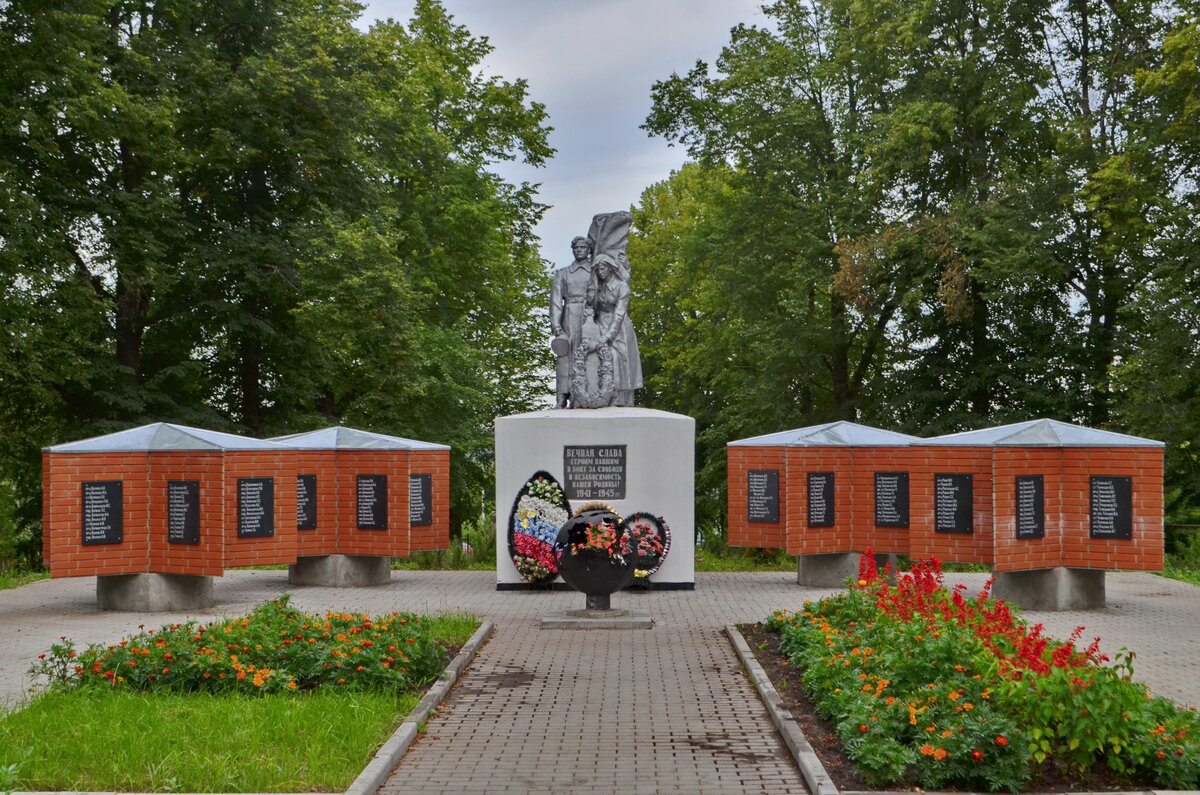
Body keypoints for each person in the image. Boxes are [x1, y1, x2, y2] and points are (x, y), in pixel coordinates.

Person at [584, 253, 642, 406]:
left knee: (618, 359)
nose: (600, 272)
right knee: (601, 358)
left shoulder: (621, 287)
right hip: (600, 325)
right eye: (597, 269)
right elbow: (592, 308)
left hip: (619, 328)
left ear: (610, 268)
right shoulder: (599, 287)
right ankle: (601, 393)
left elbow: (619, 315)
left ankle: (617, 397)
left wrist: (608, 336)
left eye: (602, 268)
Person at [549, 236, 593, 408]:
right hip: (569, 315)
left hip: (589, 316)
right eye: (576, 247)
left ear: (589, 250)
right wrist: (556, 326)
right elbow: (555, 301)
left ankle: (585, 395)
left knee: (588, 355)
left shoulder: (595, 272)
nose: (579, 250)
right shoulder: (563, 273)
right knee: (565, 357)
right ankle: (562, 396)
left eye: (583, 247)